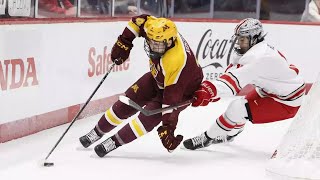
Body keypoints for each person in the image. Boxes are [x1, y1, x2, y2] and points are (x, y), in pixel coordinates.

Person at [79, 14, 203, 157]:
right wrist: (125, 41)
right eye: (151, 42)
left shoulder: (176, 61)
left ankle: (114, 142)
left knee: (147, 118)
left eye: (158, 45)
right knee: (128, 100)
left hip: (180, 90)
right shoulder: (154, 28)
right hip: (159, 77)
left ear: (170, 42)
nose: (152, 47)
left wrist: (168, 128)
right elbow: (137, 21)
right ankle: (96, 132)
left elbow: (171, 99)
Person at [183, 18, 306, 150]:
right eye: (238, 39)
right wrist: (214, 92)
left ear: (254, 38)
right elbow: (232, 71)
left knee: (237, 108)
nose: (238, 43)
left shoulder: (259, 57)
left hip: (287, 101)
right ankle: (231, 134)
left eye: (242, 40)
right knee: (240, 107)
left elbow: (233, 81)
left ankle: (207, 138)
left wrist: (210, 90)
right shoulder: (256, 49)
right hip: (273, 90)